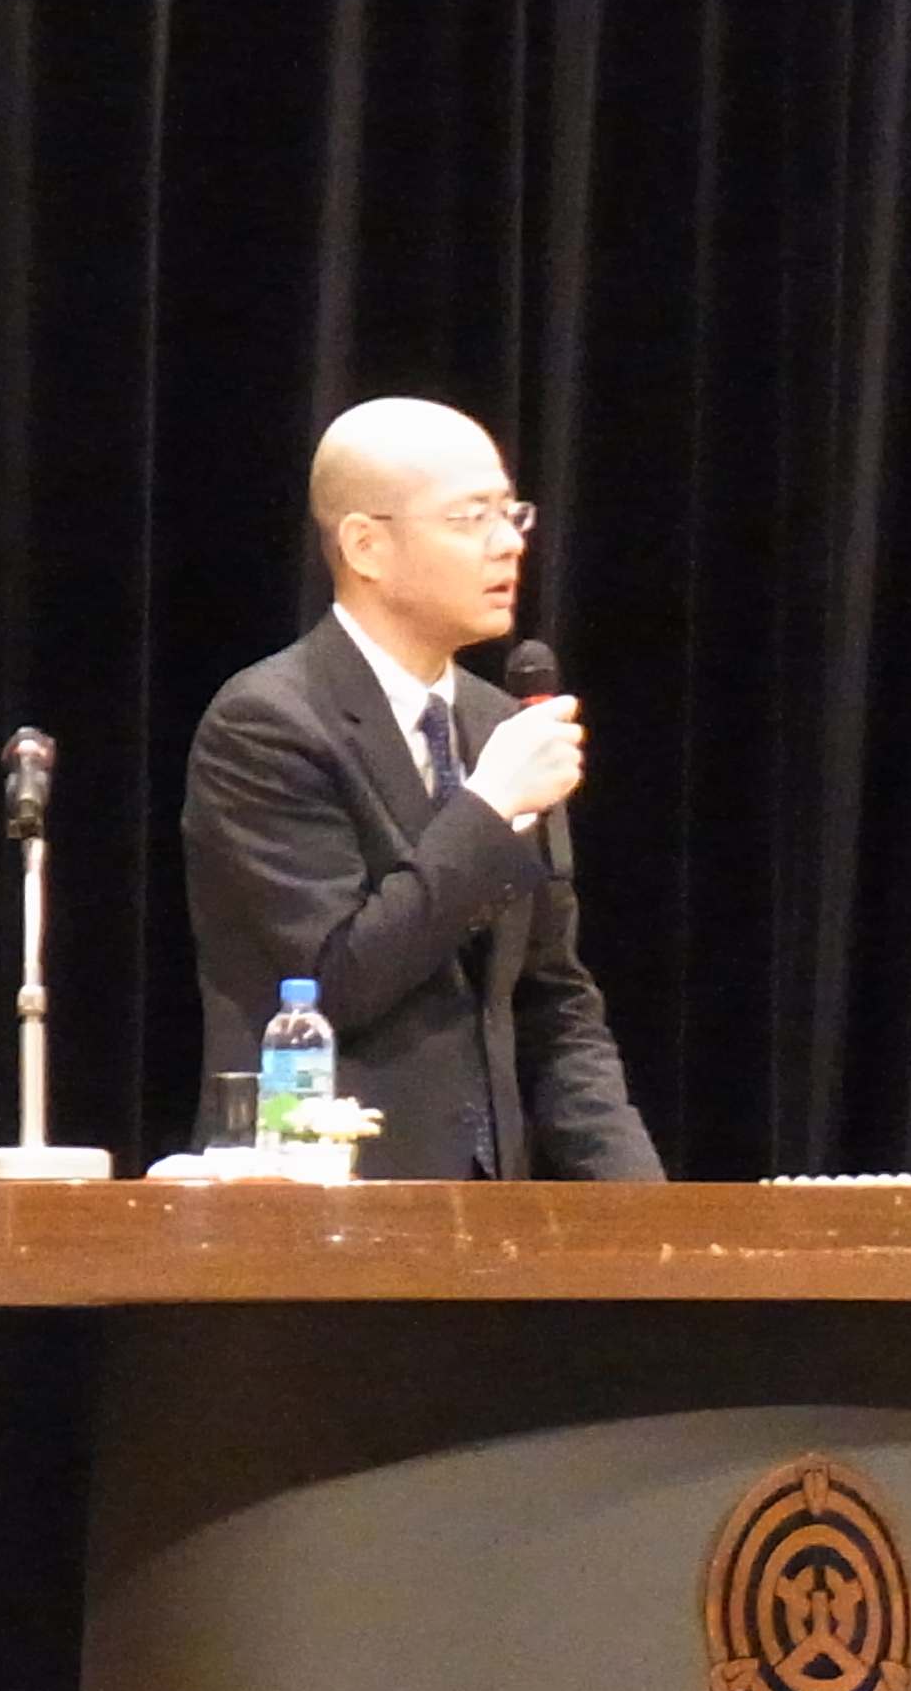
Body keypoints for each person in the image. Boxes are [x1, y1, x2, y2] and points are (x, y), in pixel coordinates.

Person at [180, 397, 664, 1181]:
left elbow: (552, 1002)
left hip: (485, 1209)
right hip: (321, 1197)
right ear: (365, 545)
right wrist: (489, 809)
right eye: (471, 518)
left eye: (511, 513)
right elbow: (332, 983)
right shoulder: (266, 723)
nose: (508, 543)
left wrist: (645, 1210)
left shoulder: (498, 723)